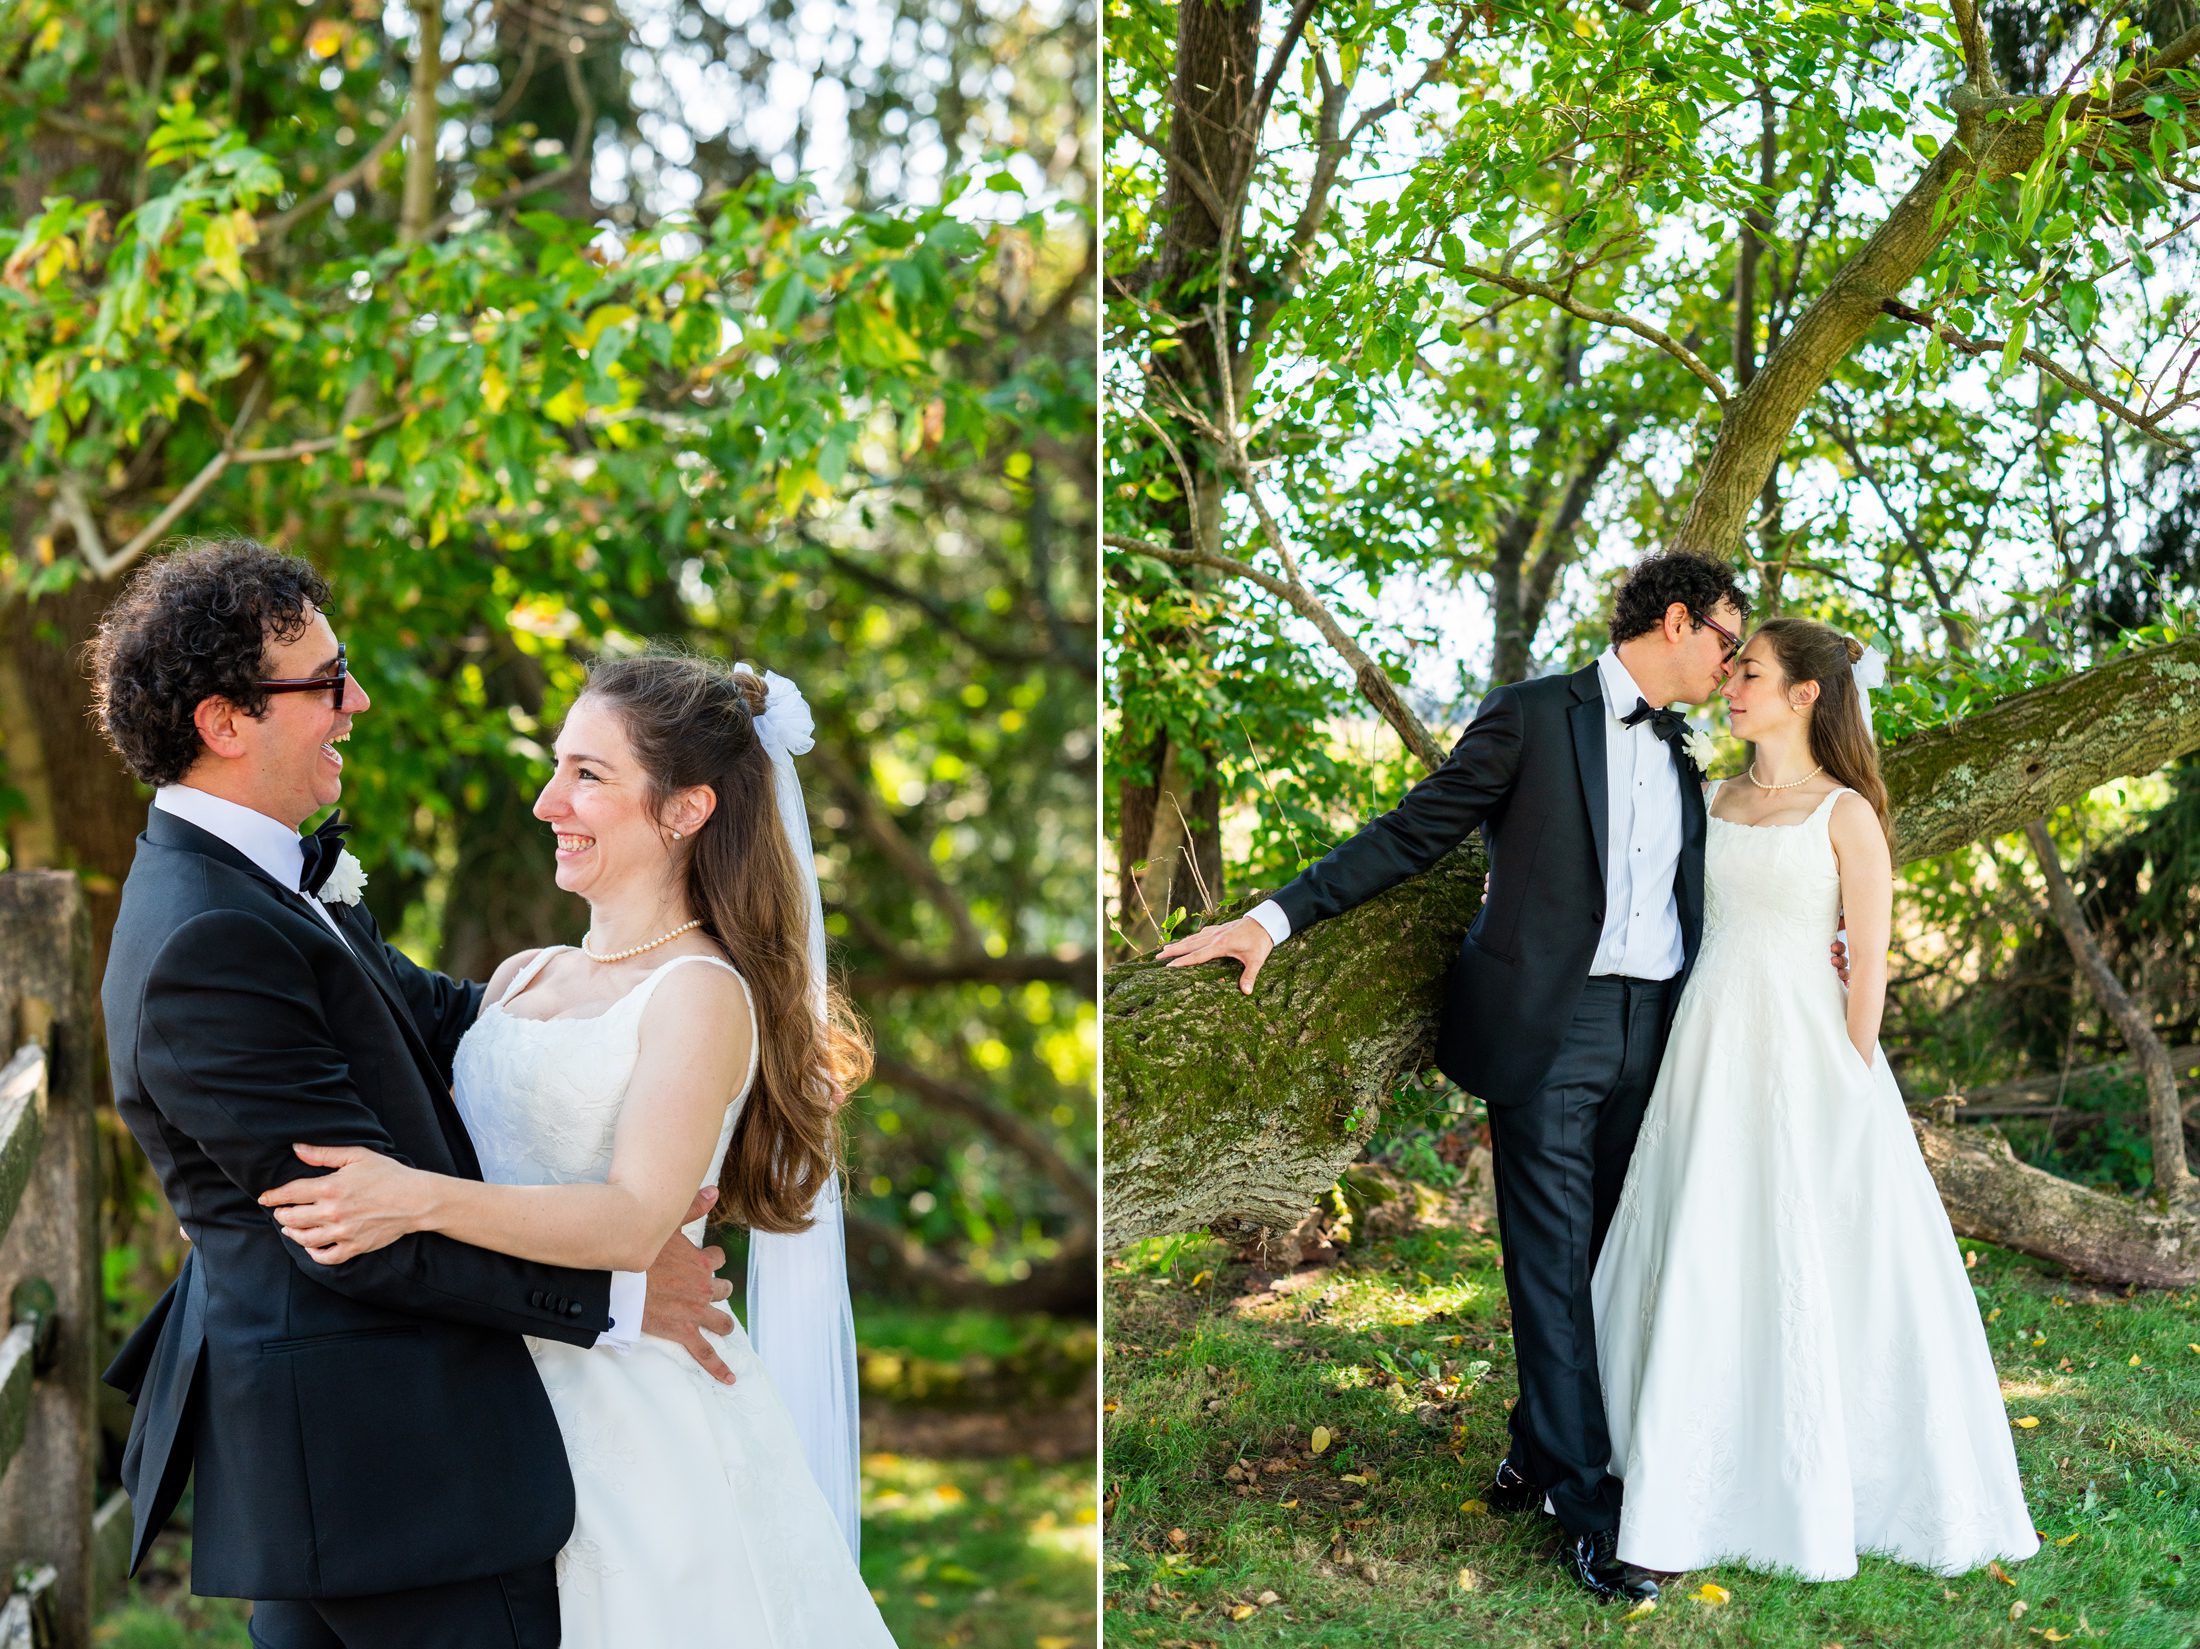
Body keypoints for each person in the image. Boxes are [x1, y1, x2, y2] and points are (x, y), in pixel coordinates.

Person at [93, 539, 732, 1649]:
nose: (359, 700)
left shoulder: (258, 882)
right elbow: (357, 1226)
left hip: (350, 1476)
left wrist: (628, 1005)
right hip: (388, 1472)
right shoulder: (209, 934)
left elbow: (429, 1021)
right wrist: (624, 1297)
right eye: (327, 681)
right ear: (225, 721)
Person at [1160, 550, 1769, 1603]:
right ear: (1676, 622)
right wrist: (1269, 918)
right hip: (1550, 1028)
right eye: (1726, 641)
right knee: (1551, 1263)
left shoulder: (1678, 751)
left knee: (1615, 1257)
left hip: (1655, 1029)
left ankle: (1538, 1448)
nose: (1731, 665)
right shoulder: (1533, 716)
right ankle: (1586, 1506)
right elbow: (1413, 829)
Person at [255, 649, 898, 1647]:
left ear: (685, 810)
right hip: (484, 1370)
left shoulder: (700, 992)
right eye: (558, 764)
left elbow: (636, 1219)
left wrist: (411, 1197)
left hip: (631, 1407)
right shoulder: (521, 975)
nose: (549, 799)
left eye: (589, 775)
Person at [1590, 618, 2039, 1580]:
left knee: (1808, 1252)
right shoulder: (1706, 797)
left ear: (1805, 695)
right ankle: (1661, 1461)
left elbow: (1865, 972)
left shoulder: (1847, 815)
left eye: (1749, 672)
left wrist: (1843, 1082)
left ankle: (1813, 1475)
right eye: (1733, 669)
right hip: (1707, 1041)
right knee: (1703, 1238)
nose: (1731, 684)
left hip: (1808, 1054)